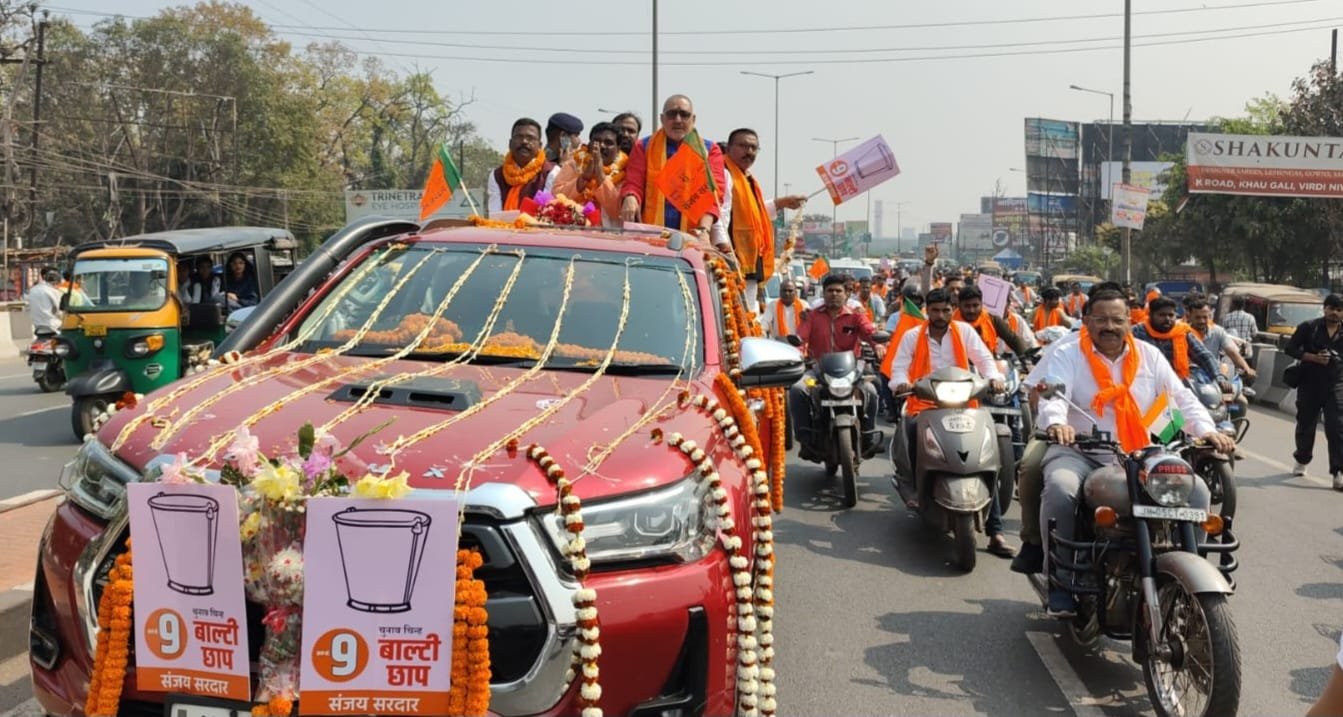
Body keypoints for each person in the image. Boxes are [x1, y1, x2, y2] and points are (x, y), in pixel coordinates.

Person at [1030, 289, 1234, 616]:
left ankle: (1188, 576)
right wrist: (1057, 423)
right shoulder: (1069, 354)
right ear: (1087, 321)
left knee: (1196, 490)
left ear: (1130, 321)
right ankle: (1062, 580)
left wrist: (1208, 430)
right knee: (1060, 488)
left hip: (1140, 452)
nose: (1109, 327)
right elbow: (1055, 393)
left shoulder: (1150, 356)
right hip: (1082, 450)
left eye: (1117, 319)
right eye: (1101, 320)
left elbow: (1180, 399)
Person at [888, 288, 1015, 557]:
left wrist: (994, 378)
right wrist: (901, 383)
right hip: (925, 402)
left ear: (951, 309)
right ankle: (912, 484)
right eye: (935, 311)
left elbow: (983, 359)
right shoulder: (913, 336)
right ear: (927, 311)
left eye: (946, 310)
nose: (941, 315)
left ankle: (996, 533)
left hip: (964, 402)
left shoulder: (964, 331)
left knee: (983, 456)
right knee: (910, 429)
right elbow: (899, 366)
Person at [788, 274, 880, 459]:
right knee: (797, 390)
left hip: (851, 372)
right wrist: (795, 352)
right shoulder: (812, 316)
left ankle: (868, 438)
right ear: (823, 293)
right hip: (818, 369)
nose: (834, 294)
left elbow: (870, 332)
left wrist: (878, 345)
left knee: (871, 389)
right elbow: (800, 338)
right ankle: (805, 440)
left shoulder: (856, 316)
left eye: (839, 291)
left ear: (846, 294)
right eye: (830, 291)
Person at [719, 128, 807, 311]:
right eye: (743, 146)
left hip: (748, 262)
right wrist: (724, 250)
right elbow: (720, 215)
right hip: (730, 259)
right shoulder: (723, 173)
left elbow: (754, 216)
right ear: (729, 148)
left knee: (746, 315)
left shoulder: (748, 179)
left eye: (753, 148)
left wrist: (781, 203)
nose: (749, 152)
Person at [620, 94, 727, 238]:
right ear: (662, 119)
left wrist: (704, 230)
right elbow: (633, 183)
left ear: (693, 119)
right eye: (672, 114)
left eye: (684, 115)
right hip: (649, 235)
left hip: (696, 235)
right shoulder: (643, 147)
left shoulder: (709, 150)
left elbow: (714, 194)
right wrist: (630, 197)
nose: (678, 120)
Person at [1284, 293, 1343, 488]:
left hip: (1335, 385)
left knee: (1336, 428)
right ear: (1324, 308)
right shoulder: (1309, 327)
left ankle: (1338, 471)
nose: (1334, 313)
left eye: (1339, 309)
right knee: (1306, 424)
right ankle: (1302, 458)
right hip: (1309, 383)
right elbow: (1290, 349)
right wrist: (1312, 357)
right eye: (1331, 308)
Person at [1132, 296, 1222, 384]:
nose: (1167, 319)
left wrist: (1218, 377)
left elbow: (1203, 355)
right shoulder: (1137, 332)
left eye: (1171, 315)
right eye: (1162, 315)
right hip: (1145, 384)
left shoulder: (1182, 332)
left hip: (1178, 384)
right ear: (1151, 315)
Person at [553, 122, 626, 226]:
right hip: (574, 233)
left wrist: (600, 176)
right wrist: (583, 179)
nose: (601, 146)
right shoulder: (574, 164)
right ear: (589, 144)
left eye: (608, 142)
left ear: (618, 148)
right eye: (596, 141)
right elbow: (556, 196)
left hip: (610, 236)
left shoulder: (625, 171)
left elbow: (618, 211)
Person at [487, 118, 559, 214]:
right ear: (510, 143)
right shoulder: (496, 175)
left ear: (540, 145)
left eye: (530, 138)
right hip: (503, 227)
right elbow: (495, 214)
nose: (524, 141)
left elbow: (546, 212)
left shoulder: (551, 172)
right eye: (519, 137)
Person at [1186, 296, 1256, 382]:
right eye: (1198, 317)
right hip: (1190, 380)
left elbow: (1232, 352)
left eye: (1205, 317)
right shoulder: (1183, 334)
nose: (1202, 321)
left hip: (1214, 378)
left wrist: (1247, 369)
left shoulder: (1218, 331)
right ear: (1188, 316)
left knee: (1235, 394)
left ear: (1210, 316)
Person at [954, 285, 1030, 357]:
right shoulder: (951, 323)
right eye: (967, 306)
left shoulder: (992, 320)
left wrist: (1026, 357)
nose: (972, 310)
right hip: (958, 367)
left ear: (981, 304)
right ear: (959, 305)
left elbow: (1013, 339)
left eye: (975, 305)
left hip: (989, 365)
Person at [27, 267, 63, 335]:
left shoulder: (32, 290)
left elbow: (28, 308)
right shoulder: (52, 291)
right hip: (53, 326)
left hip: (38, 327)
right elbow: (59, 310)